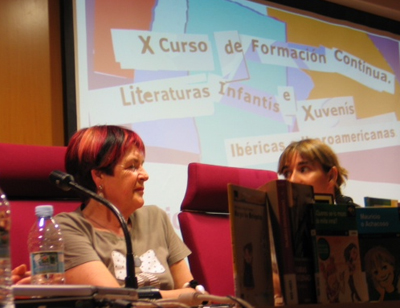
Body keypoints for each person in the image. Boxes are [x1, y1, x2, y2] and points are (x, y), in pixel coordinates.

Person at [30, 125, 198, 298]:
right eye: (132, 166)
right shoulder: (65, 229)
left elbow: (193, 293)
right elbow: (117, 301)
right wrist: (180, 297)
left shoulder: (156, 218)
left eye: (142, 165)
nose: (145, 175)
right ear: (99, 176)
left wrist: (186, 296)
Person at [277, 138, 354, 205]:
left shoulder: (357, 218)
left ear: (331, 176)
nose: (292, 180)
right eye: (287, 173)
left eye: (304, 169)